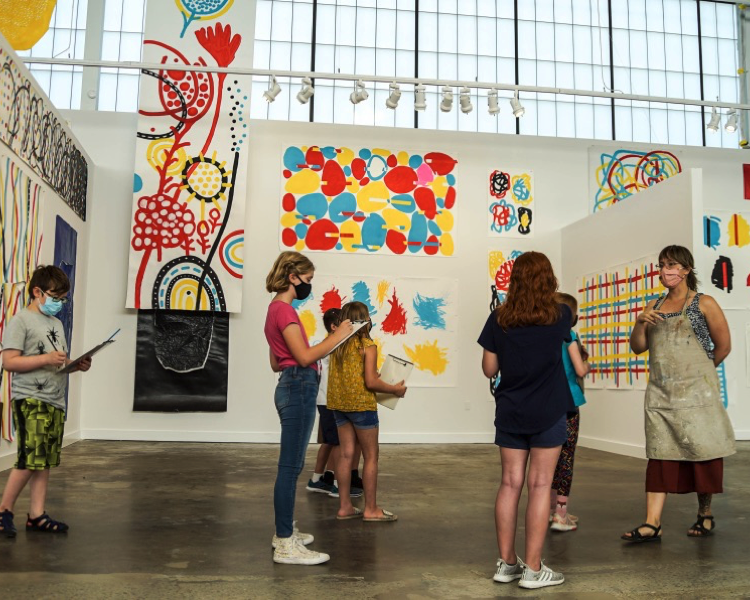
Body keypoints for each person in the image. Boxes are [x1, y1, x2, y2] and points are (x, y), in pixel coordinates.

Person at [622, 245, 735, 543]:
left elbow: (723, 346)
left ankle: (705, 514)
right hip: (661, 396)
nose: (665, 270)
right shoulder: (654, 305)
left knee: (704, 454)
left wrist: (701, 376)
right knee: (659, 457)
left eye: (671, 264)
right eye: (662, 264)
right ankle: (652, 523)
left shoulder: (704, 303)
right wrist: (639, 322)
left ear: (686, 269)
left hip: (699, 397)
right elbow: (638, 347)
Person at [478, 251, 571, 590]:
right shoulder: (560, 315)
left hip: (510, 410)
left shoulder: (499, 319)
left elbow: (490, 369)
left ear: (513, 280)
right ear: (548, 279)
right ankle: (533, 569)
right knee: (540, 485)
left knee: (509, 483)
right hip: (548, 410)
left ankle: (507, 563)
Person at [264, 251, 354, 565]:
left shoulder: (274, 310)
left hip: (290, 384)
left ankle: (284, 532)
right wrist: (340, 335)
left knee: (291, 467)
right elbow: (303, 357)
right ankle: (286, 543)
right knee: (289, 469)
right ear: (293, 277)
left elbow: (276, 360)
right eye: (308, 279)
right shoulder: (285, 311)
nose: (309, 286)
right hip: (299, 385)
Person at [0, 266, 92, 538]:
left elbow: (56, 364)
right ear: (37, 292)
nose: (59, 303)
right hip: (30, 398)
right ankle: (4, 509)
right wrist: (45, 359)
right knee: (30, 457)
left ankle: (37, 514)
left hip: (55, 399)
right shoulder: (21, 321)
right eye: (55, 296)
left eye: (63, 298)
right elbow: (8, 361)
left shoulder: (56, 323)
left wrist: (76, 366)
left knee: (44, 459)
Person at [327, 301, 406, 522]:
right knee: (371, 456)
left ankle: (345, 507)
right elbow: (371, 383)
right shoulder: (367, 345)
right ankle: (371, 509)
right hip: (362, 406)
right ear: (365, 319)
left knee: (345, 454)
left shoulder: (335, 344)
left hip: (339, 406)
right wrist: (395, 390)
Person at [306, 308, 363, 499]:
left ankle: (317, 480)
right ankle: (339, 485)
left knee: (330, 441)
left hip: (325, 400)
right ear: (334, 327)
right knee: (339, 443)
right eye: (345, 323)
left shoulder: (323, 344)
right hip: (330, 400)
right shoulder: (334, 345)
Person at [549, 292, 590, 533]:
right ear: (573, 318)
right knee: (565, 459)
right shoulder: (570, 336)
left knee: (548, 461)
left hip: (547, 403)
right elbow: (579, 370)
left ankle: (549, 510)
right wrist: (586, 365)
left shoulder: (543, 336)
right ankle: (560, 515)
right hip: (569, 404)